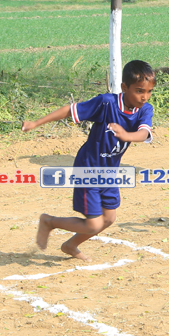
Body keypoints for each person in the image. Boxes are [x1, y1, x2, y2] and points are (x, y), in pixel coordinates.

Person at [26, 61, 156, 259]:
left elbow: (144, 133)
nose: (144, 96)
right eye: (139, 91)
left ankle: (71, 245)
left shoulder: (145, 109)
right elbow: (70, 110)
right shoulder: (106, 103)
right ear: (124, 87)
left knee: (109, 218)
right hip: (88, 168)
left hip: (109, 172)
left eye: (149, 91)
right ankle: (49, 222)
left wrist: (125, 135)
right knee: (93, 224)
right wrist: (36, 123)